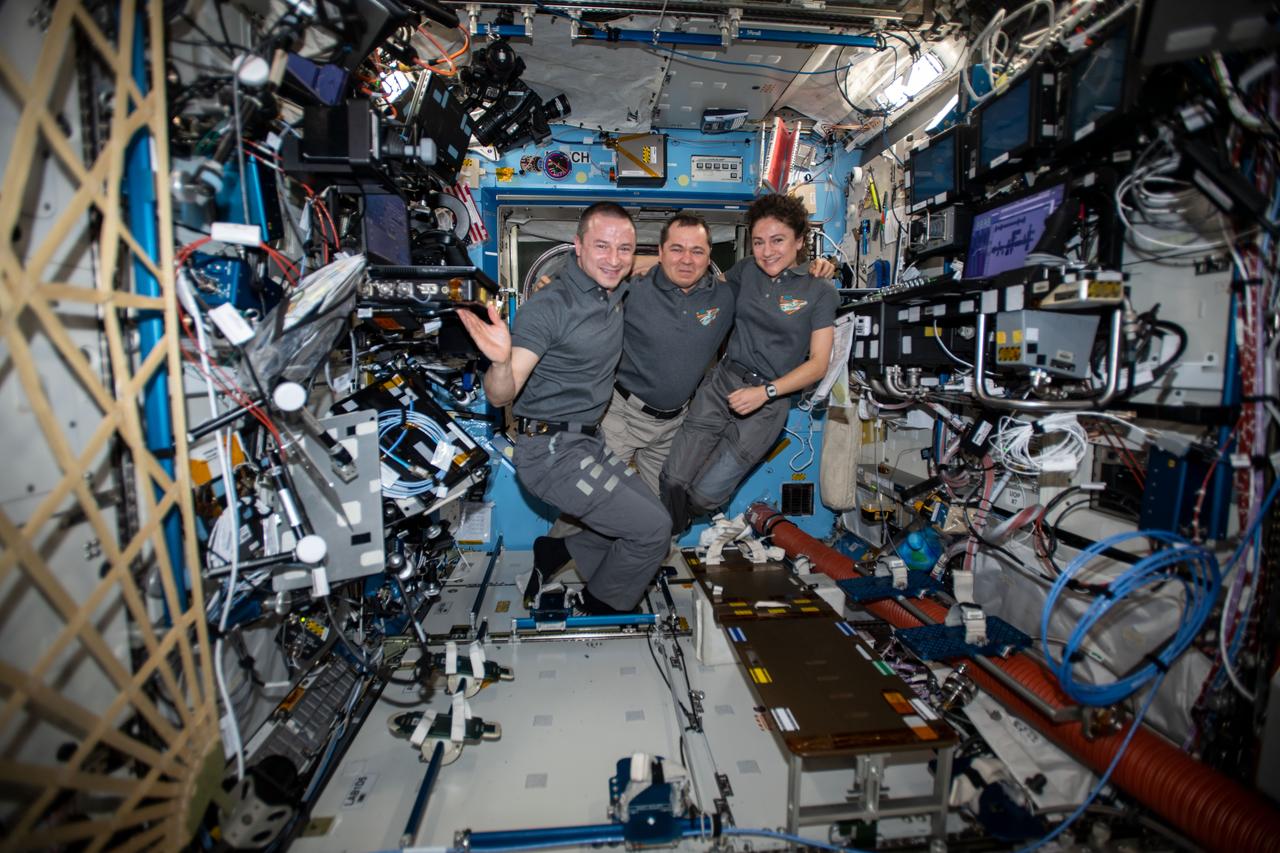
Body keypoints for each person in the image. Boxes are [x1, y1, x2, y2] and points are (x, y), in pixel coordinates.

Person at [457, 202, 671, 614]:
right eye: (602, 246)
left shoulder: (613, 290)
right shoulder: (550, 306)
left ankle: (559, 550)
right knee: (653, 530)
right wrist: (499, 362)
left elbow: (647, 265)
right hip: (551, 454)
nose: (614, 259)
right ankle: (599, 603)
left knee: (651, 513)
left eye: (624, 249)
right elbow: (501, 395)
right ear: (578, 246)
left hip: (588, 443)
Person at [659, 193, 837, 533]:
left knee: (704, 497)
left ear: (800, 241)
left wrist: (765, 393)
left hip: (767, 404)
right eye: (758, 242)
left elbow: (818, 364)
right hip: (723, 385)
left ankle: (669, 534)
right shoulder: (745, 271)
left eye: (778, 240)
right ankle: (656, 544)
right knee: (672, 479)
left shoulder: (820, 290)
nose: (766, 251)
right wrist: (641, 266)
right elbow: (700, 286)